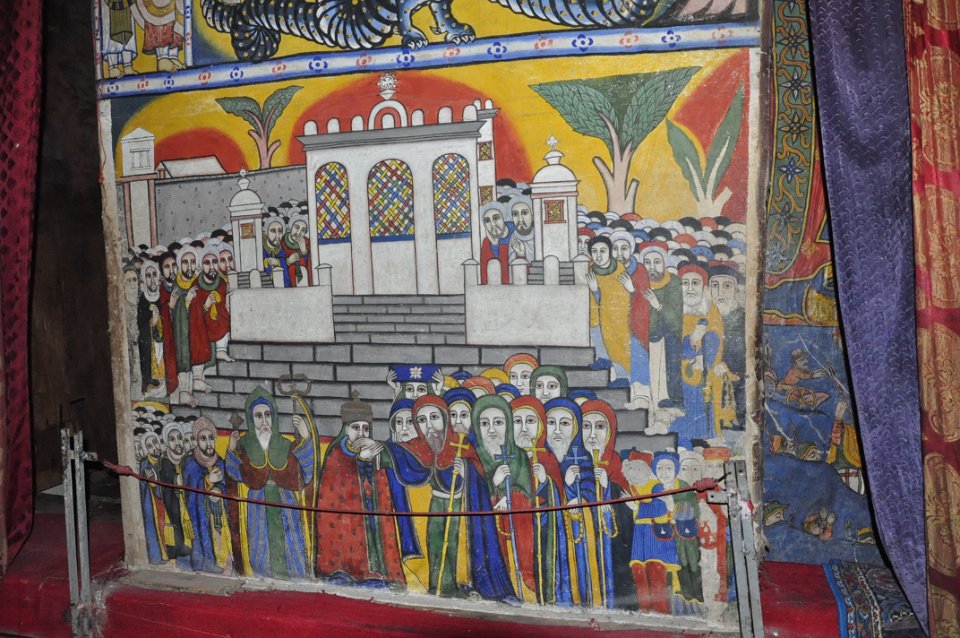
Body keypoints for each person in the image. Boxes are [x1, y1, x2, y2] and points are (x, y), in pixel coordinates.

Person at [408, 395, 516, 601]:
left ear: (444, 418)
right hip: (436, 504)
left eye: (434, 418)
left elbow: (478, 470)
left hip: (463, 504)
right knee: (436, 542)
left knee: (459, 546)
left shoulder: (462, 442)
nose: (429, 426)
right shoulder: (419, 447)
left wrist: (466, 469)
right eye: (422, 420)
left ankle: (462, 584)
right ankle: (440, 585)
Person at [225, 387, 315, 579]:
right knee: (260, 545)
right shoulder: (244, 445)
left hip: (286, 502)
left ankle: (295, 576)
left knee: (292, 545)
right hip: (258, 503)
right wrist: (231, 450)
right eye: (258, 416)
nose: (264, 421)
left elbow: (303, 475)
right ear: (251, 419)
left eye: (268, 415)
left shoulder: (285, 444)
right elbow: (234, 474)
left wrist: (306, 436)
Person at [315, 392, 405, 585]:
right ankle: (348, 571)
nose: (362, 433)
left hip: (372, 511)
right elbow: (333, 489)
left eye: (366, 428)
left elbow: (381, 483)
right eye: (356, 427)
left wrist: (371, 461)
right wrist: (358, 461)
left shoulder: (373, 449)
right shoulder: (336, 452)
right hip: (346, 518)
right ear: (346, 429)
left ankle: (378, 570)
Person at [470, 395, 537, 602]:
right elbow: (472, 498)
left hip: (517, 528)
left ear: (508, 425)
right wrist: (494, 484)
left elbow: (528, 494)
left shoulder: (520, 456)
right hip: (487, 532)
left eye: (498, 422)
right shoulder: (474, 458)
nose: (491, 430)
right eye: (484, 424)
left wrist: (512, 498)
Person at [511, 396, 570, 606]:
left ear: (541, 426)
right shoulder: (508, 458)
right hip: (515, 528)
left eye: (530, 421)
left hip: (543, 527)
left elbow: (559, 499)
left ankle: (547, 595)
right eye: (517, 421)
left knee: (543, 561)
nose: (524, 428)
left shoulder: (548, 459)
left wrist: (546, 481)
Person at [580, 399, 636, 609]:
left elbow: (629, 517)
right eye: (586, 426)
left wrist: (608, 487)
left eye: (600, 427)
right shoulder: (572, 465)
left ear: (610, 432)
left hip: (614, 552)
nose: (593, 435)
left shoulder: (619, 467)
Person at [545, 398, 599, 607]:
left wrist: (578, 496)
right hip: (550, 536)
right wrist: (565, 485)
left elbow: (591, 493)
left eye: (565, 424)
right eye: (551, 423)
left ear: (575, 428)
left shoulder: (583, 459)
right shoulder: (541, 462)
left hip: (577, 534)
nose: (557, 431)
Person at [622, 451, 681, 614]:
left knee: (656, 570)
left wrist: (637, 507)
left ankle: (661, 610)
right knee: (638, 570)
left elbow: (659, 508)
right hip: (639, 535)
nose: (634, 472)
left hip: (654, 534)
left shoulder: (656, 486)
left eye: (638, 469)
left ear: (646, 470)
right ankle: (644, 608)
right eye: (631, 469)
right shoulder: (632, 487)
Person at [672, 263, 724, 442]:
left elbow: (717, 338)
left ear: (704, 287)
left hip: (704, 370)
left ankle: (704, 437)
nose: (690, 288)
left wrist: (705, 356)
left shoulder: (711, 310)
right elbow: (670, 346)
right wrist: (691, 341)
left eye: (695, 283)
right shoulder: (674, 311)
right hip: (679, 373)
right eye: (685, 283)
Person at [610, 231, 652, 411]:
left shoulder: (639, 270)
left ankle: (641, 396)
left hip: (636, 325)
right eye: (615, 248)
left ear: (631, 250)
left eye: (624, 248)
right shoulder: (609, 269)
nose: (620, 253)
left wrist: (632, 289)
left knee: (637, 355)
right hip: (615, 324)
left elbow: (645, 298)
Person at [184, 418, 232, 574]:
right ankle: (205, 564)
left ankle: (223, 563)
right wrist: (207, 481)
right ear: (197, 441)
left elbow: (227, 486)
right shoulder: (190, 463)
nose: (208, 443)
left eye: (211, 438)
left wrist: (219, 491)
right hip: (200, 517)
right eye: (203, 439)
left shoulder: (220, 462)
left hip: (218, 516)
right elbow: (189, 491)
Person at [640, 243, 684, 412]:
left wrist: (657, 306)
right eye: (647, 262)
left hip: (670, 333)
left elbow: (675, 316)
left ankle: (676, 398)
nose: (652, 267)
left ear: (664, 263)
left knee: (672, 356)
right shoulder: (639, 282)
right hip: (647, 333)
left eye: (657, 262)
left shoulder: (673, 282)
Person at [585, 236, 632, 387]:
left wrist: (596, 291)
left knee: (616, 343)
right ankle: (603, 358)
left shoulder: (619, 269)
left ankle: (623, 375)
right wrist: (594, 291)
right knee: (597, 332)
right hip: (597, 317)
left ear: (610, 252)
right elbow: (592, 300)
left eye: (602, 251)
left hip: (617, 318)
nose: (598, 256)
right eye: (594, 251)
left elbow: (621, 297)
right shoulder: (591, 272)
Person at [708, 262, 745, 430]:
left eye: (727, 286)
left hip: (736, 383)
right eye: (715, 286)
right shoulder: (705, 317)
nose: (720, 293)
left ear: (736, 290)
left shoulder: (743, 318)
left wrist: (727, 367)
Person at [159, 422, 193, 563]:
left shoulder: (187, 458)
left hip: (185, 499)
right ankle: (177, 548)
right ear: (167, 443)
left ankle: (187, 545)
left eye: (179, 438)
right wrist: (176, 478)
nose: (177, 443)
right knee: (175, 522)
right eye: (172, 440)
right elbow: (168, 476)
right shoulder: (165, 461)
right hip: (172, 500)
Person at [139, 431, 170, 564]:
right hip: (152, 504)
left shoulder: (164, 460)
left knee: (167, 529)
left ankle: (169, 554)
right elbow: (143, 485)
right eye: (150, 446)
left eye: (155, 442)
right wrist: (152, 482)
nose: (154, 447)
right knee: (156, 528)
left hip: (165, 502)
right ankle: (157, 556)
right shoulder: (145, 463)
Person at [137, 259, 165, 397]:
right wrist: (151, 322)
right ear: (144, 280)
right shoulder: (142, 300)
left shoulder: (163, 297)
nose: (152, 279)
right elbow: (140, 324)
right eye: (148, 276)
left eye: (154, 275)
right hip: (149, 344)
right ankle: (148, 379)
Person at [479, 202, 511, 285]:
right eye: (487, 221)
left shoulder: (514, 235)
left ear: (504, 218)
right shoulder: (486, 242)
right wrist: (494, 244)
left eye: (496, 218)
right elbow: (484, 276)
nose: (493, 224)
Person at [282, 213, 312, 287]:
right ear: (291, 227)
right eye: (297, 227)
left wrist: (304, 251)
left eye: (303, 230)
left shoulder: (307, 243)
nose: (298, 233)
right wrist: (288, 261)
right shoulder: (282, 242)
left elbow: (310, 264)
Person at [508, 193, 535, 263]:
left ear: (532, 215)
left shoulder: (538, 236)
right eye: (515, 214)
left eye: (524, 213)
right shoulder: (513, 238)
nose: (520, 219)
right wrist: (521, 254)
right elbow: (511, 264)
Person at [262, 214, 288, 285]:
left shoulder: (282, 250)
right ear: (266, 232)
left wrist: (278, 262)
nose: (277, 236)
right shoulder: (261, 250)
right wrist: (267, 261)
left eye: (280, 231)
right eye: (273, 231)